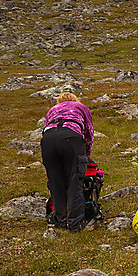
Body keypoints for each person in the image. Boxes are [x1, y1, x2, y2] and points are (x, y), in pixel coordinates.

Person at [41, 92, 95, 231]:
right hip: (71, 137)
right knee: (75, 180)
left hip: (48, 140)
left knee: (56, 181)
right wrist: (86, 156)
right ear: (75, 99)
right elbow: (89, 131)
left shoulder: (52, 109)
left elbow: (46, 128)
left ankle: (60, 220)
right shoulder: (80, 107)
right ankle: (75, 223)